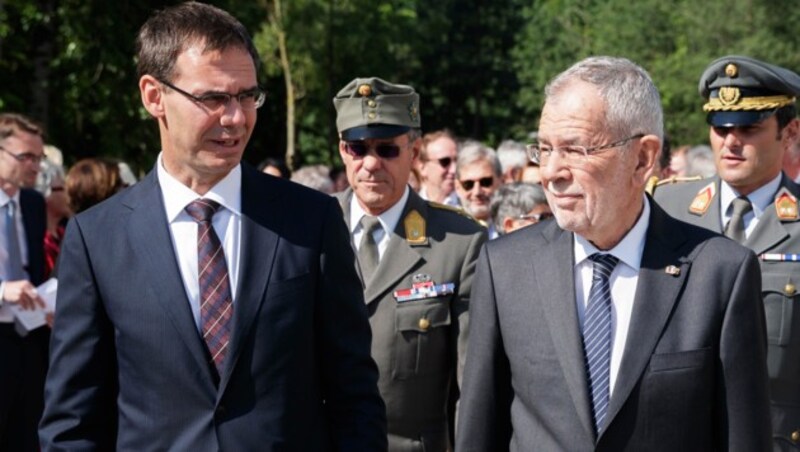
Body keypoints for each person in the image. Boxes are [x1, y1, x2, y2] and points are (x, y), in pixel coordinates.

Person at [39, 3, 385, 450]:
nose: (237, 118)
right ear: (153, 96)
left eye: (247, 96)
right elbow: (73, 422)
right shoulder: (97, 239)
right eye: (213, 98)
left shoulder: (310, 219)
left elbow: (353, 394)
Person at [457, 56, 771, 451]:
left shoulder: (719, 274)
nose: (552, 172)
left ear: (642, 158)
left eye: (575, 150)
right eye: (545, 149)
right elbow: (480, 432)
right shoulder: (504, 268)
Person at [654, 55, 800, 451]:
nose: (731, 141)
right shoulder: (667, 206)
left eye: (749, 128)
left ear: (789, 132)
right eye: (720, 128)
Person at [333, 77, 486, 451]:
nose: (371, 164)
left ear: (414, 154)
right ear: (342, 151)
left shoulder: (458, 242)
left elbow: (472, 383)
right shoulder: (308, 229)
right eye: (357, 148)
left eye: (387, 149)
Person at [0, 112, 48, 452]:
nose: (35, 166)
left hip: (29, 342)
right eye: (25, 157)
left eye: (39, 158)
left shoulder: (32, 203)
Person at [454, 140, 502, 238]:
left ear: (500, 181)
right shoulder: (447, 230)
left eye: (485, 182)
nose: (477, 192)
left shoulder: (513, 228)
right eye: (468, 184)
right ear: (457, 187)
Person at [417, 130, 459, 206]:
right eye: (445, 162)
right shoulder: (409, 208)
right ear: (422, 168)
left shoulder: (470, 209)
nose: (454, 169)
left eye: (457, 160)